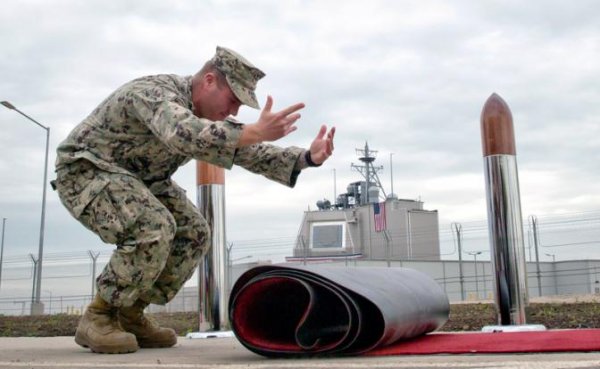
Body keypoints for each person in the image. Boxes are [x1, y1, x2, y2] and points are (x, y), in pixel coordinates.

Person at [51, 46, 335, 354]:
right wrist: (254, 131)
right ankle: (100, 315)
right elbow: (182, 132)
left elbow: (246, 151)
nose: (234, 112)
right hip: (87, 171)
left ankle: (130, 313)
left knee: (194, 232)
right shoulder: (153, 93)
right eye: (233, 100)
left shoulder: (201, 115)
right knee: (154, 225)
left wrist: (307, 158)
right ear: (209, 81)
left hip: (140, 182)